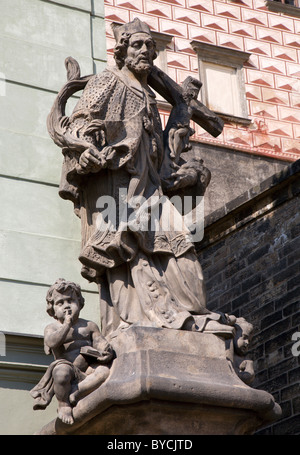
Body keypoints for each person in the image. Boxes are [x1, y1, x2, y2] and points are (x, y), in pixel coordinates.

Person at [48, 18, 234, 339]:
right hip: (117, 185)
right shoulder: (108, 81)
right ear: (123, 51)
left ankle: (192, 314)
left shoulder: (148, 94)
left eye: (150, 46)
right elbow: (78, 121)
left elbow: (157, 144)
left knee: (181, 248)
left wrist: (180, 111)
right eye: (137, 45)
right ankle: (135, 323)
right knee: (125, 252)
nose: (145, 50)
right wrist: (87, 146)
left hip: (151, 187)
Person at [30, 279, 114, 425]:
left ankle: (76, 391)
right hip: (66, 366)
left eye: (70, 300)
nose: (66, 306)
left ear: (80, 303)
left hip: (87, 369)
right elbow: (51, 342)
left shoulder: (89, 325)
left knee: (103, 372)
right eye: (60, 303)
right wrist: (66, 325)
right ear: (52, 309)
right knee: (61, 373)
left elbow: (99, 340)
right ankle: (63, 405)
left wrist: (105, 349)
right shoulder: (53, 327)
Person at [233, 317, 255, 385]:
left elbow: (249, 377)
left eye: (249, 340)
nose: (247, 342)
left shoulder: (247, 361)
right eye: (244, 338)